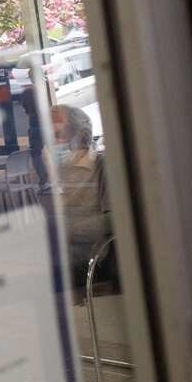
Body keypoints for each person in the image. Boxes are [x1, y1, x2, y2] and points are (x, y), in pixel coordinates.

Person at [50, 104, 113, 288]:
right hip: (63, 252)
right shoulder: (62, 170)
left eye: (57, 135)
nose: (52, 143)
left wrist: (69, 229)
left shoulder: (102, 165)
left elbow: (113, 220)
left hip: (91, 257)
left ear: (77, 137)